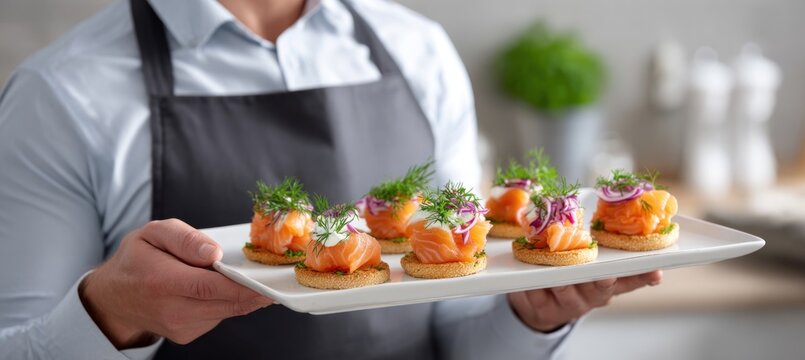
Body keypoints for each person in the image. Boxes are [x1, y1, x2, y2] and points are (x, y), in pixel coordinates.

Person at [0, 0, 662, 358]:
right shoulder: (62, 94)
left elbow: (458, 329)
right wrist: (112, 313)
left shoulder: (420, 51)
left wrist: (530, 318)